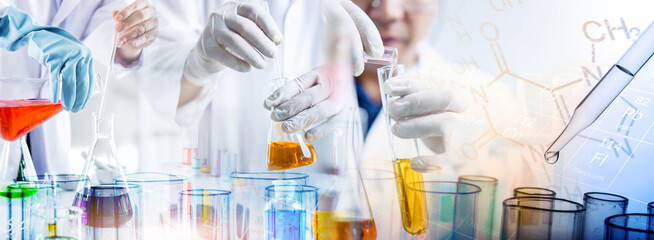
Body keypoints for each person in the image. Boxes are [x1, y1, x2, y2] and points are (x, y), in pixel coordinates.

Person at [135, 0, 383, 180]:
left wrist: (340, 78)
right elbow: (159, 91)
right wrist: (198, 64)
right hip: (222, 198)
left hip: (326, 196)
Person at [0, 0, 158, 174]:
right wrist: (14, 24)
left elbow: (110, 31)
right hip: (6, 110)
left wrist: (133, 35)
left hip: (46, 129)